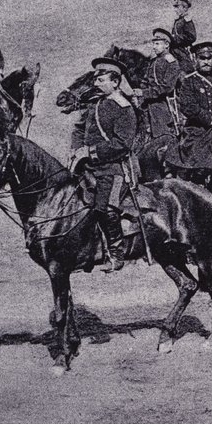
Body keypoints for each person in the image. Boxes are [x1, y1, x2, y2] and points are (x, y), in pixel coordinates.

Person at [69, 57, 137, 271]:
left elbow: (122, 144)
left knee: (106, 208)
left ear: (115, 82)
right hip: (88, 166)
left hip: (115, 168)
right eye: (95, 79)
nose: (96, 83)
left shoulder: (124, 108)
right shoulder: (95, 103)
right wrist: (76, 150)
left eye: (101, 80)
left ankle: (116, 254)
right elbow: (79, 129)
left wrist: (89, 152)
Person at [171, 41, 212, 182]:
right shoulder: (189, 81)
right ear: (195, 59)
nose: (206, 62)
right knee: (196, 158)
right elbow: (188, 106)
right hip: (198, 129)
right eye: (202, 58)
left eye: (209, 58)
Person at [136, 28, 184, 139]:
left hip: (164, 106)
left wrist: (143, 93)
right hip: (149, 104)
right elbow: (146, 80)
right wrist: (139, 92)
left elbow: (166, 88)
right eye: (153, 44)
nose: (154, 47)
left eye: (157, 44)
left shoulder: (172, 63)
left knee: (162, 139)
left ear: (166, 44)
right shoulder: (154, 61)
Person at [170, 0, 197, 67]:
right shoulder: (178, 21)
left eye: (177, 7)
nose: (175, 10)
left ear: (185, 8)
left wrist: (174, 38)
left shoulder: (187, 20)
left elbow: (192, 37)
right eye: (174, 7)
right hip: (175, 49)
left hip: (183, 51)